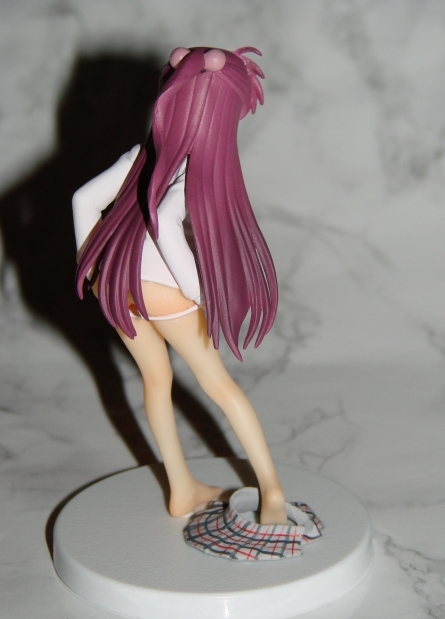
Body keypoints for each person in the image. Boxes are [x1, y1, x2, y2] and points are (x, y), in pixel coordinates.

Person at [73, 47, 287, 525]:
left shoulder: (140, 157)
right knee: (221, 386)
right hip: (164, 292)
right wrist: (198, 293)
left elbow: (83, 200)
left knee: (155, 380)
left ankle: (181, 488)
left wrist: (90, 262)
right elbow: (167, 221)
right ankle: (272, 492)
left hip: (118, 281)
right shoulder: (195, 169)